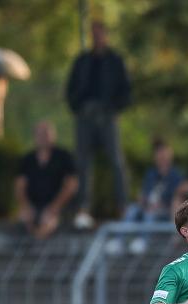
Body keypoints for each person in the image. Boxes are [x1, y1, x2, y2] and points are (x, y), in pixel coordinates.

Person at [65, 20, 131, 228]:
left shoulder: (115, 60)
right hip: (85, 115)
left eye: (100, 33)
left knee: (117, 162)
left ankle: (123, 207)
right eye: (93, 34)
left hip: (107, 115)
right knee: (82, 163)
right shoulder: (83, 60)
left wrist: (114, 109)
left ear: (106, 35)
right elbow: (71, 88)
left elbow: (125, 90)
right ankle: (83, 209)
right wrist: (78, 107)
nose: (97, 37)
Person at [14, 121, 78, 240]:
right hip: (34, 205)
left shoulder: (64, 156)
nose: (43, 137)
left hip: (58, 206)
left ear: (53, 135)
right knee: (24, 218)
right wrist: (26, 206)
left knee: (48, 221)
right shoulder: (28, 159)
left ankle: (38, 247)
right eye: (40, 134)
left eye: (46, 134)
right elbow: (19, 187)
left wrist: (55, 207)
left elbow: (72, 185)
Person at [118, 139, 183, 254]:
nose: (161, 157)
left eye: (164, 154)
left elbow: (176, 199)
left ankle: (143, 241)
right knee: (132, 209)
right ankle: (119, 241)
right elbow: (144, 194)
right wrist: (142, 200)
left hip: (164, 210)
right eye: (159, 154)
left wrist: (157, 206)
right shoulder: (150, 173)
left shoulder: (176, 175)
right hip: (147, 206)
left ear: (170, 155)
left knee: (150, 213)